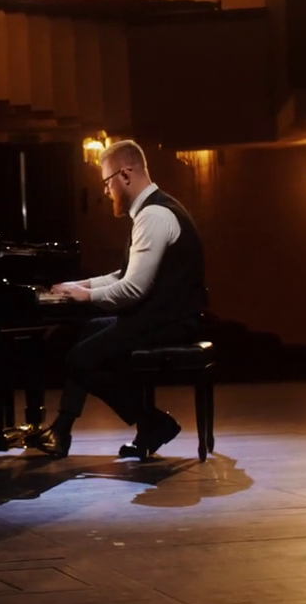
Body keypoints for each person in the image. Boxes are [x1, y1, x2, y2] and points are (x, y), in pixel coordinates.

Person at [29, 139, 207, 459]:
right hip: (163, 316)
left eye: (107, 182)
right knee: (89, 332)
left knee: (78, 359)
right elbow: (125, 274)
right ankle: (62, 430)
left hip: (170, 321)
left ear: (125, 175)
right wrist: (79, 285)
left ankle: (152, 422)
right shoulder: (154, 210)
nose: (106, 191)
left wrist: (87, 296)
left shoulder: (153, 216)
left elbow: (133, 290)